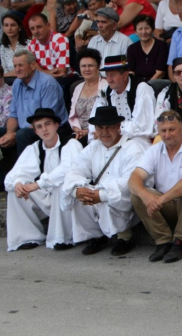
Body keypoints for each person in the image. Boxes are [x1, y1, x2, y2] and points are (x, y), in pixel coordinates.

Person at [129, 110, 182, 263]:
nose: (167, 135)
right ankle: (163, 241)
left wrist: (160, 200)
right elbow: (134, 178)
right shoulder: (154, 150)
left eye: (172, 129)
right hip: (171, 204)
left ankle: (181, 243)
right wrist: (146, 196)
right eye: (163, 131)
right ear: (158, 132)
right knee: (136, 194)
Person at [62, 106, 144, 256]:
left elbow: (130, 181)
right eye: (100, 128)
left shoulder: (132, 148)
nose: (104, 132)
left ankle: (124, 236)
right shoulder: (93, 147)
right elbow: (75, 169)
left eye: (110, 127)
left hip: (125, 201)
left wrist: (101, 195)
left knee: (109, 197)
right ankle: (96, 236)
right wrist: (78, 190)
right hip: (99, 194)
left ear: (119, 127)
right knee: (77, 197)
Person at [0, 50, 68, 195]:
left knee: (22, 135)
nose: (17, 69)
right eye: (15, 66)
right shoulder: (17, 83)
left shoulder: (47, 83)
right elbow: (13, 114)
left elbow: (46, 119)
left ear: (32, 65)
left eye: (20, 65)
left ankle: (26, 181)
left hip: (50, 129)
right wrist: (9, 133)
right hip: (22, 129)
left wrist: (15, 134)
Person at [5, 108, 82, 251]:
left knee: (62, 184)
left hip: (70, 199)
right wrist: (18, 183)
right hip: (47, 197)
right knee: (15, 189)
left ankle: (63, 238)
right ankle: (27, 237)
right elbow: (16, 173)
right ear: (35, 131)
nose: (44, 129)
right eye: (39, 127)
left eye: (48, 124)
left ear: (56, 125)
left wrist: (38, 184)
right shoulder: (34, 148)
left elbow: (66, 170)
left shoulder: (71, 144)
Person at [89, 55, 156, 149]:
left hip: (138, 139)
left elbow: (142, 125)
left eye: (112, 75)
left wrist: (115, 131)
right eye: (107, 75)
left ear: (125, 75)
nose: (109, 79)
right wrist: (99, 132)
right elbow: (94, 118)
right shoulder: (106, 91)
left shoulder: (142, 88)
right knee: (93, 148)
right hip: (111, 135)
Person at [27, 13, 77, 107]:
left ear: (48, 26)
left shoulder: (60, 39)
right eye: (32, 29)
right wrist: (48, 72)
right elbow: (32, 68)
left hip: (68, 77)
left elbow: (61, 72)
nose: (36, 31)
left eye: (39, 27)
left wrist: (40, 71)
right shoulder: (32, 45)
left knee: (56, 84)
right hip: (45, 78)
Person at [69, 48, 107, 144]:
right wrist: (77, 128)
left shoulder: (106, 86)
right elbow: (73, 115)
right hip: (78, 133)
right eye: (83, 66)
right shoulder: (77, 87)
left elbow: (108, 115)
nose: (87, 69)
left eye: (90, 66)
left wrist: (89, 131)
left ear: (98, 67)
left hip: (98, 134)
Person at [87, 7, 132, 74]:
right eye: (98, 22)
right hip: (96, 80)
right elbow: (88, 63)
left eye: (103, 22)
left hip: (116, 82)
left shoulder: (125, 42)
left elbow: (126, 67)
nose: (99, 25)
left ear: (114, 25)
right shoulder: (93, 41)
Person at [127, 15, 168, 84]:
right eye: (140, 29)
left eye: (147, 28)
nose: (143, 32)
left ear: (152, 30)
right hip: (138, 85)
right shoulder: (132, 49)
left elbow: (160, 73)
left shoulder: (161, 46)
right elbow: (131, 72)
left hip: (157, 84)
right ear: (135, 31)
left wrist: (147, 86)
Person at [0, 12, 29, 81]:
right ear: (3, 28)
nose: (9, 28)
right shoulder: (3, 47)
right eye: (6, 25)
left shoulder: (29, 44)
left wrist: (8, 75)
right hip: (9, 80)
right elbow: (4, 69)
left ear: (19, 28)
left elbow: (28, 69)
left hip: (25, 79)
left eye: (13, 25)